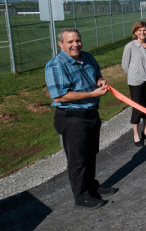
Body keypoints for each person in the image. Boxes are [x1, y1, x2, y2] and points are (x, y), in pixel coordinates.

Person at [45, 28, 116, 209]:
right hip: (72, 117)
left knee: (91, 153)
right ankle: (81, 196)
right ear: (61, 44)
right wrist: (91, 93)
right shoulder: (56, 65)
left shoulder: (88, 57)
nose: (75, 44)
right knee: (77, 159)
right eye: (70, 42)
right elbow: (60, 96)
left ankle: (91, 186)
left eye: (78, 40)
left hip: (91, 113)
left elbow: (97, 74)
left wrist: (100, 80)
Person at [121, 21, 146, 147]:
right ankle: (136, 134)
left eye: (144, 30)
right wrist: (134, 74)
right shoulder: (130, 46)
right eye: (139, 30)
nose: (142, 32)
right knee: (137, 108)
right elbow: (125, 65)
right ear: (135, 32)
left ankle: (145, 130)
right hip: (135, 82)